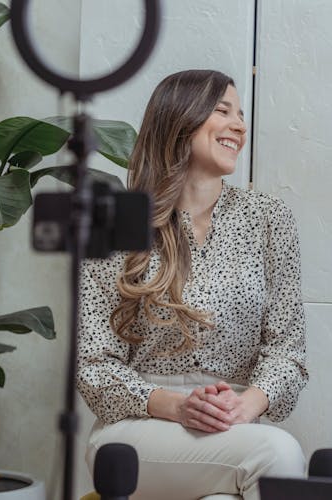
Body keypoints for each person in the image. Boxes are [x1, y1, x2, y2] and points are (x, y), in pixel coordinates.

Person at [77, 69, 308, 500]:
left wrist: (246, 404)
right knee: (279, 455)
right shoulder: (116, 222)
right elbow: (93, 365)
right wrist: (178, 406)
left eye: (241, 114)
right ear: (180, 119)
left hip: (235, 428)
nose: (239, 125)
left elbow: (287, 352)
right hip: (137, 429)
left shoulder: (269, 219)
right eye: (223, 111)